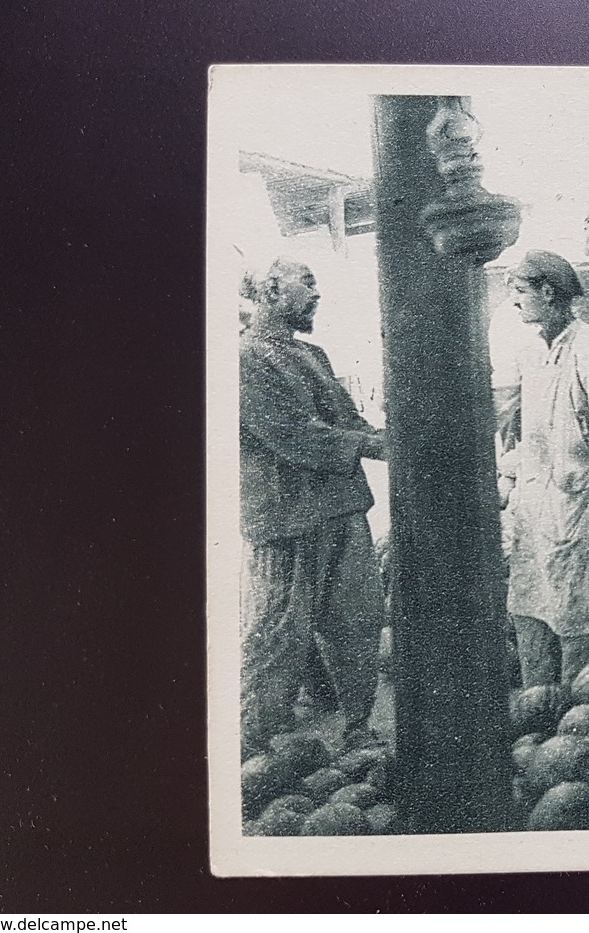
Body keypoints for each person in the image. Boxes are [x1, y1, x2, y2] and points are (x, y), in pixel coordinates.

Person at [239, 257, 386, 758]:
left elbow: (345, 417)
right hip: (285, 518)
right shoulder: (245, 358)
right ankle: (260, 747)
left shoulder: (314, 355)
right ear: (272, 291)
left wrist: (385, 436)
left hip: (340, 507)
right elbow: (291, 433)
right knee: (279, 633)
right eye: (308, 282)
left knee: (359, 619)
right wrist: (373, 447)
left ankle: (358, 728)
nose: (316, 293)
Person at [495, 250, 589, 688]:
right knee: (528, 603)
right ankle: (539, 698)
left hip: (577, 502)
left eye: (521, 291)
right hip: (534, 502)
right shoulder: (528, 352)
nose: (516, 301)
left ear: (548, 291)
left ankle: (583, 708)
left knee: (578, 611)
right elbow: (506, 413)